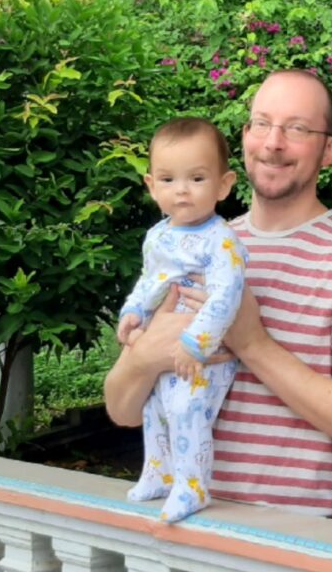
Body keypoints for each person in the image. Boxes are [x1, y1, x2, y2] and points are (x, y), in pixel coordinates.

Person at [105, 70, 332, 522]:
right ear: (245, 136)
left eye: (298, 128)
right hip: (193, 540)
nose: (273, 142)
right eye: (261, 123)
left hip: (298, 548)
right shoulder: (197, 245)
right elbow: (121, 408)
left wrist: (251, 342)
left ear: (330, 150)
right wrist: (145, 355)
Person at [115, 117, 249, 523]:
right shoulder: (157, 235)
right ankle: (159, 472)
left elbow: (228, 295)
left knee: (188, 407)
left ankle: (192, 486)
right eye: (169, 180)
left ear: (223, 186)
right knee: (156, 405)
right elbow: (151, 281)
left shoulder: (222, 239)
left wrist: (196, 343)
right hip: (164, 343)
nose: (182, 191)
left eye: (196, 178)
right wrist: (134, 311)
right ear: (151, 186)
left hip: (206, 350)